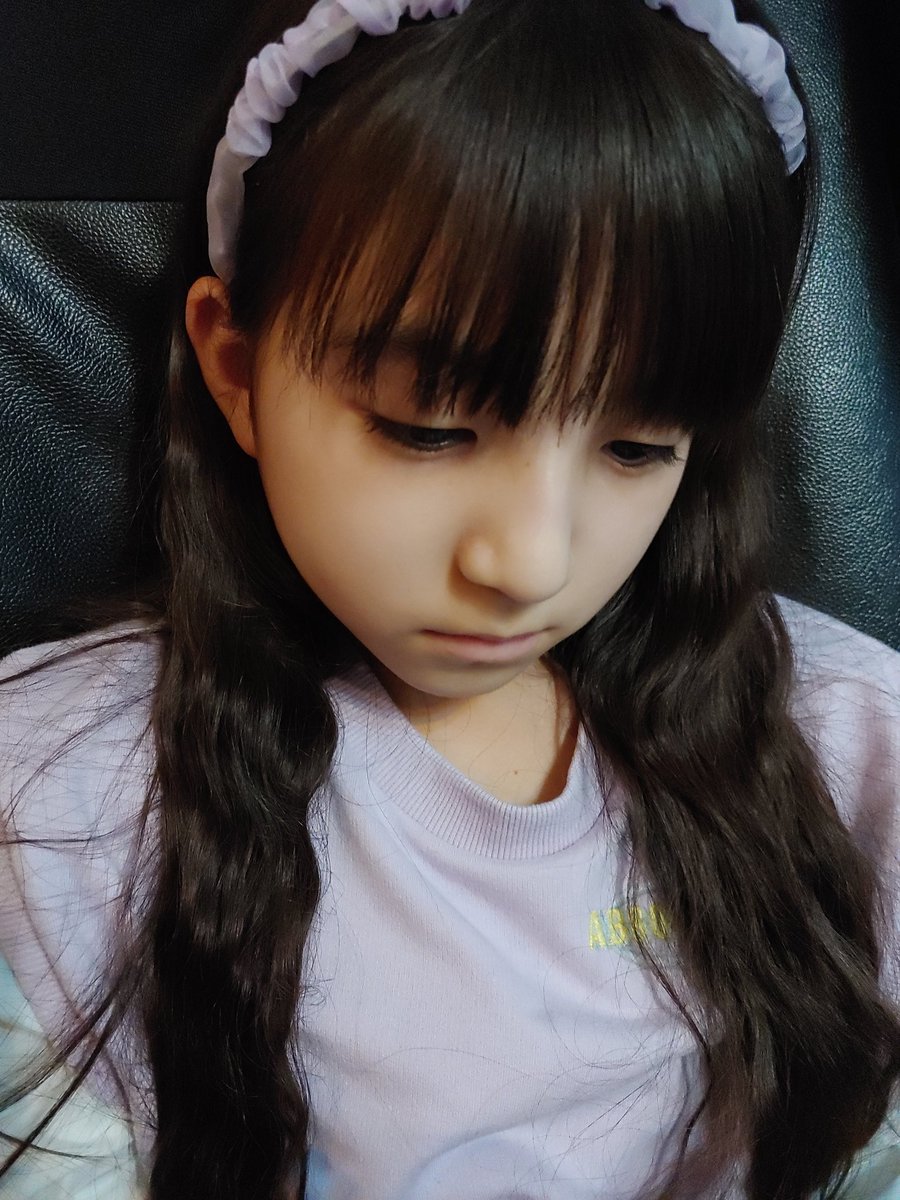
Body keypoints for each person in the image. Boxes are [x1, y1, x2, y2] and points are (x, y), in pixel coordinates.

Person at [1, 0, 899, 1197]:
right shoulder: (63, 800)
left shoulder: (853, 747)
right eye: (427, 429)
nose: (528, 562)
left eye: (639, 446)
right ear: (237, 369)